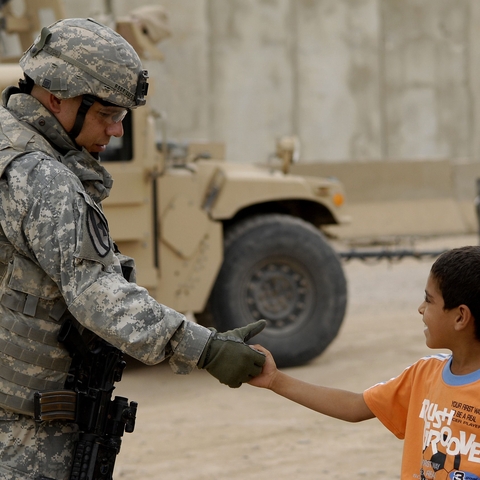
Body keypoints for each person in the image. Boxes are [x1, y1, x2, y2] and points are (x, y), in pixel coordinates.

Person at [0, 17, 266, 480]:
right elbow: (97, 293)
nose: (117, 131)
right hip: (20, 430)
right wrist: (205, 348)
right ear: (57, 96)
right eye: (108, 115)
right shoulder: (44, 179)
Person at [249, 245, 480, 479]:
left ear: (460, 317)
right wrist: (275, 380)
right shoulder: (424, 373)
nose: (420, 309)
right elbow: (355, 406)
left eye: (429, 300)